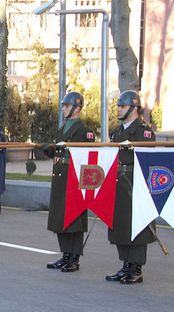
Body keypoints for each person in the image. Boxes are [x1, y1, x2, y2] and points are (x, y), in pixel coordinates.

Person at [106, 90, 156, 284]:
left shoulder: (144, 132)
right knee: (120, 223)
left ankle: (136, 267)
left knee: (136, 225)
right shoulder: (117, 132)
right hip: (118, 182)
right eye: (118, 106)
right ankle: (126, 264)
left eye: (123, 106)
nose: (118, 109)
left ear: (135, 108)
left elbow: (148, 159)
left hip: (135, 184)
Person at [43, 91, 95, 272]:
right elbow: (58, 152)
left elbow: (88, 157)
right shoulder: (63, 129)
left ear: (77, 107)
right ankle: (65, 254)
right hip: (60, 177)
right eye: (63, 106)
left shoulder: (84, 131)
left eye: (66, 106)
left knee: (75, 219)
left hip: (74, 179)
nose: (63, 109)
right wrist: (48, 150)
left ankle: (74, 257)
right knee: (60, 216)